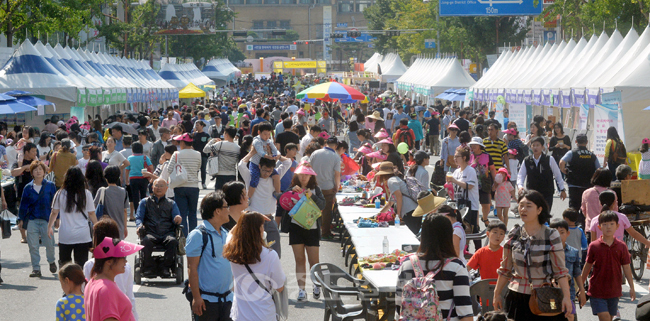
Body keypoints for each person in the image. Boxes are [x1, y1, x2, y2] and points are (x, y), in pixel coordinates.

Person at [494, 190, 572, 321]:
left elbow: (560, 271)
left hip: (545, 295)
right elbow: (505, 269)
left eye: (529, 206)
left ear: (539, 210)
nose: (523, 209)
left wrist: (566, 297)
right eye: (521, 205)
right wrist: (496, 294)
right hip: (516, 296)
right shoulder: (514, 233)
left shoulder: (551, 235)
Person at [396, 214, 473, 321]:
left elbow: (399, 307)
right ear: (448, 236)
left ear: (423, 235)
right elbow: (465, 313)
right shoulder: (456, 267)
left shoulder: (407, 265)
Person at [222, 212, 286, 321]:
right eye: (262, 226)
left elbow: (230, 235)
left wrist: (244, 219)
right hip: (264, 315)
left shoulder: (232, 251)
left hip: (240, 316)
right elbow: (279, 287)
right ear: (259, 230)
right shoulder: (270, 255)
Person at [185, 190, 234, 321]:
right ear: (217, 211)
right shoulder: (198, 235)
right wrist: (196, 298)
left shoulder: (225, 233)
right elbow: (192, 268)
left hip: (228, 299)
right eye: (226, 207)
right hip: (206, 301)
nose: (228, 210)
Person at [580, 211, 634, 321]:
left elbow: (626, 267)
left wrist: (632, 287)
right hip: (596, 289)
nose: (608, 227)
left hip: (614, 290)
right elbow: (587, 266)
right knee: (604, 317)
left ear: (617, 226)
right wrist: (580, 287)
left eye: (611, 224)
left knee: (609, 318)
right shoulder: (594, 246)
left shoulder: (621, 246)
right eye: (604, 224)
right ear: (599, 227)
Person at [83, 217, 138, 320]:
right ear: (109, 261)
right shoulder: (107, 289)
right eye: (122, 257)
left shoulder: (93, 282)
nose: (125, 261)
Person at [287, 162, 325, 301]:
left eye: (307, 175)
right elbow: (283, 202)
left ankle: (316, 285)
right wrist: (292, 193)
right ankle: (301, 290)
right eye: (301, 174)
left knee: (314, 261)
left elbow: (323, 205)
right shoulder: (292, 188)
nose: (304, 177)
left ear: (311, 176)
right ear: (297, 175)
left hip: (312, 228)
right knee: (299, 259)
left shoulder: (316, 189)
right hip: (295, 227)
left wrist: (312, 196)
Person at [48, 167, 98, 267]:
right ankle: (81, 283)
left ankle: (66, 282)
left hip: (65, 235)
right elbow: (91, 213)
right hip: (82, 235)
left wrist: (49, 226)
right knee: (81, 265)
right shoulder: (86, 193)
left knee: (65, 265)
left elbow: (54, 212)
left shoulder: (60, 193)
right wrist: (97, 226)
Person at [135, 179, 182, 278]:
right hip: (151, 232)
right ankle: (149, 267)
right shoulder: (144, 202)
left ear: (166, 188)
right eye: (157, 185)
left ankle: (165, 267)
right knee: (146, 241)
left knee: (173, 241)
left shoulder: (171, 203)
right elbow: (139, 217)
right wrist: (139, 226)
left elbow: (176, 217)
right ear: (152, 187)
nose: (159, 188)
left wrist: (178, 218)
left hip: (167, 232)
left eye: (161, 186)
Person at [18, 160, 57, 277]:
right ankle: (36, 268)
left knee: (49, 244)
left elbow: (55, 204)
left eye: (40, 169)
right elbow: (23, 204)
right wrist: (21, 219)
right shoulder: (28, 188)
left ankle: (51, 261)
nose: (38, 171)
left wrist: (58, 218)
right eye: (35, 170)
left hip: (47, 220)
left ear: (44, 171)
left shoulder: (50, 186)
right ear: (32, 173)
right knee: (33, 245)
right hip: (32, 220)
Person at [549, 218, 587, 321]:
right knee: (553, 315)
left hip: (569, 294)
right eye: (555, 233)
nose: (559, 236)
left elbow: (577, 273)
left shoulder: (573, 252)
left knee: (570, 316)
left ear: (567, 233)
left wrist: (582, 291)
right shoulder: (546, 252)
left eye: (562, 233)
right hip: (551, 295)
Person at [517, 137, 566, 211]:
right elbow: (521, 175)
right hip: (532, 193)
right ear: (531, 147)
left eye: (538, 145)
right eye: (533, 145)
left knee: (545, 215)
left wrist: (562, 189)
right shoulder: (527, 160)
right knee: (533, 215)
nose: (535, 147)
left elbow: (558, 175)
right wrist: (520, 186)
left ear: (543, 147)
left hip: (546, 193)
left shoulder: (549, 159)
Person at [167, 133, 201, 236]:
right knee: (193, 214)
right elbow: (198, 167)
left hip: (180, 187)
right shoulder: (198, 154)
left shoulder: (177, 154)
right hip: (194, 187)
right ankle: (194, 237)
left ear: (182, 142)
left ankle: (184, 238)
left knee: (182, 214)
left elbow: (169, 169)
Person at [309, 136, 342, 239]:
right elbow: (337, 174)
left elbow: (309, 168)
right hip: (328, 187)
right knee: (326, 211)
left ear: (326, 143)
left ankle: (311, 231)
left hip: (314, 186)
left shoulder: (315, 153)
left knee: (313, 209)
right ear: (336, 146)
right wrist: (337, 186)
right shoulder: (335, 156)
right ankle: (325, 232)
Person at [375, 162, 420, 233]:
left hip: (409, 211)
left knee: (412, 234)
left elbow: (399, 197)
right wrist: (379, 214)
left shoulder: (391, 181)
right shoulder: (395, 179)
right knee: (414, 233)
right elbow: (390, 203)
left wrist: (398, 215)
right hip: (414, 209)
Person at [559, 134, 598, 212]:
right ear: (587, 142)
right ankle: (584, 222)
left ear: (576, 141)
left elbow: (561, 162)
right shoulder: (592, 155)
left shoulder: (572, 153)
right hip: (588, 185)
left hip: (574, 184)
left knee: (573, 207)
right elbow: (598, 169)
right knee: (587, 207)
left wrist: (563, 170)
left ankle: (573, 222)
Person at [468, 137, 497, 226]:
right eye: (472, 144)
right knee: (474, 205)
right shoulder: (469, 156)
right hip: (472, 184)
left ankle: (484, 218)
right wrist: (474, 163)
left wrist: (495, 181)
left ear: (480, 146)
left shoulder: (487, 156)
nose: (473, 146)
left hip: (484, 184)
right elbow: (466, 169)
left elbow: (492, 169)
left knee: (487, 204)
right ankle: (476, 225)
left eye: (475, 144)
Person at [467, 220, 507, 285]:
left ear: (504, 237)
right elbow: (467, 268)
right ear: (488, 234)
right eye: (495, 232)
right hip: (484, 289)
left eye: (501, 233)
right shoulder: (481, 252)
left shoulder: (506, 253)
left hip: (502, 289)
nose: (498, 236)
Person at [248, 122, 281, 199]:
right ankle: (249, 197)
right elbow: (260, 152)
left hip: (266, 164)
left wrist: (278, 154)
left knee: (276, 176)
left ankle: (277, 192)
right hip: (255, 164)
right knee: (254, 179)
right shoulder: (256, 141)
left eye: (269, 134)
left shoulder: (269, 141)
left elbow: (275, 150)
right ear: (259, 132)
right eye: (265, 134)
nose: (267, 136)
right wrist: (267, 156)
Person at [95, 166, 129, 240]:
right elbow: (125, 211)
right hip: (119, 228)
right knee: (117, 250)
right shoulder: (123, 191)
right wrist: (125, 228)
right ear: (118, 177)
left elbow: (94, 208)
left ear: (105, 177)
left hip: (104, 228)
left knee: (105, 250)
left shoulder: (102, 191)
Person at [581, 168, 618, 237]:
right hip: (609, 229)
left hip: (591, 227)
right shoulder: (612, 193)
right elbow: (615, 211)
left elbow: (584, 210)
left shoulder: (587, 192)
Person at [204, 127, 240, 191]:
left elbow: (205, 150)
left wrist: (212, 141)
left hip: (220, 175)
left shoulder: (220, 144)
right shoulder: (238, 148)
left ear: (226, 134)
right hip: (232, 175)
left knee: (219, 197)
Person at [125, 142, 153, 213]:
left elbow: (127, 170)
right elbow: (151, 167)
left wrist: (126, 180)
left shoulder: (130, 158)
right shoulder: (145, 157)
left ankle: (137, 212)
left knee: (135, 197)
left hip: (133, 179)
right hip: (143, 178)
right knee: (143, 195)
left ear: (133, 149)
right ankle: (144, 211)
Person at [193, 121, 211, 189]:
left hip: (204, 155)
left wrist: (210, 151)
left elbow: (210, 143)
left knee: (203, 169)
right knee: (195, 170)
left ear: (202, 126)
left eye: (198, 125)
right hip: (195, 155)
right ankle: (195, 183)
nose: (196, 126)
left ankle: (203, 183)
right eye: (196, 125)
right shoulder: (194, 134)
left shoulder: (206, 135)